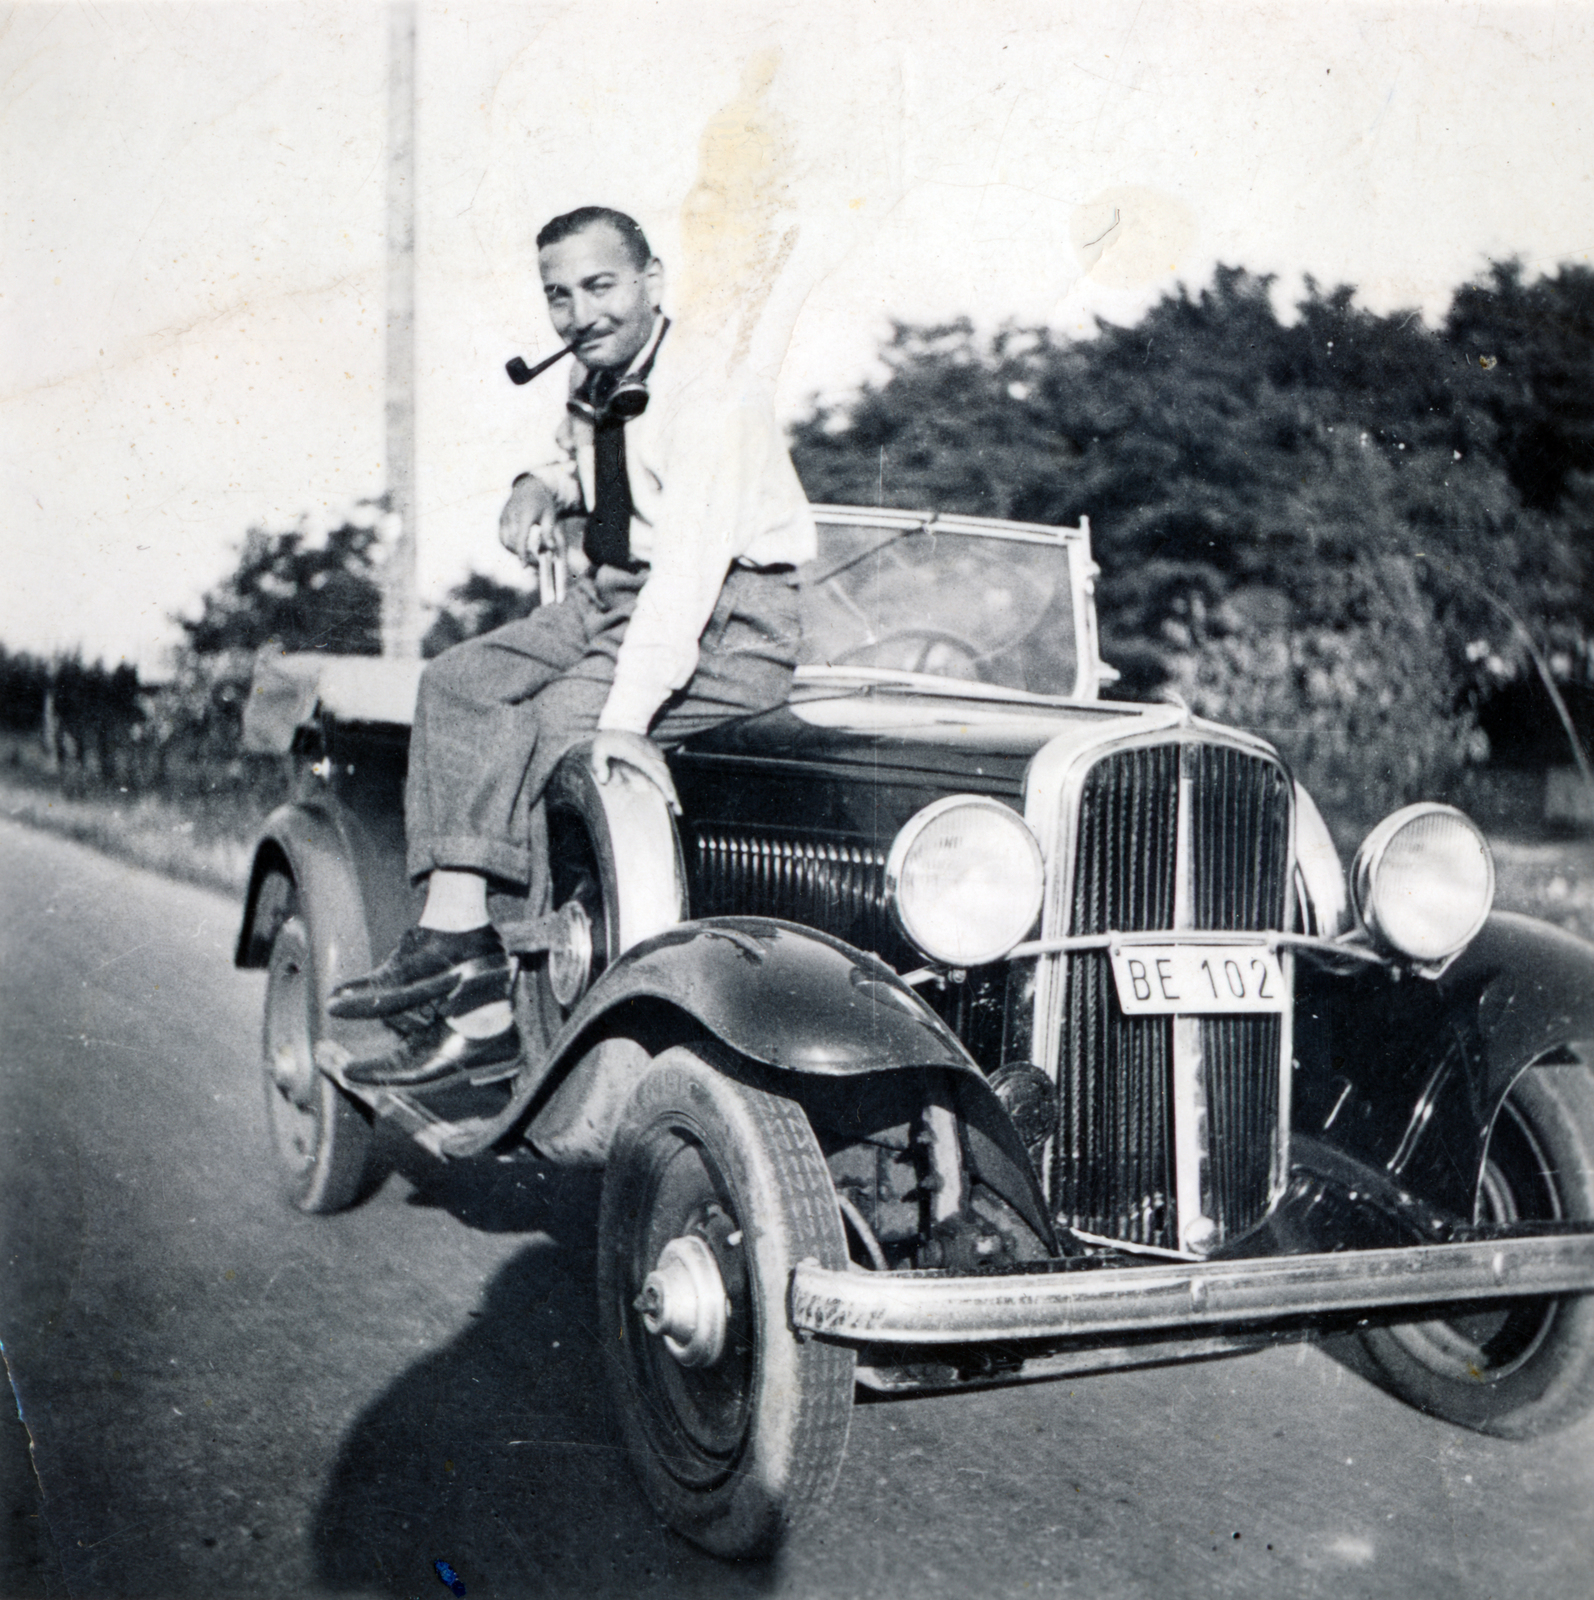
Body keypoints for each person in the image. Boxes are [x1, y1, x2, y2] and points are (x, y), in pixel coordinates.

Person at [328, 205, 815, 1088]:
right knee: (459, 682)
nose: (579, 315)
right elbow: (593, 465)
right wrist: (536, 485)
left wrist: (624, 720)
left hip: (726, 620)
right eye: (558, 297)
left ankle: (496, 1019)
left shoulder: (714, 392)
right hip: (608, 594)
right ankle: (452, 931)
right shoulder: (595, 374)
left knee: (558, 733)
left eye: (600, 287)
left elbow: (689, 576)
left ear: (652, 281)